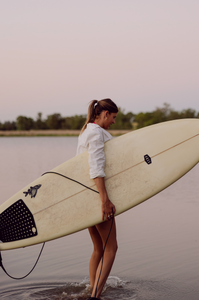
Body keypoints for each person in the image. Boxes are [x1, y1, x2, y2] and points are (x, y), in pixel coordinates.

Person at [76, 99, 119, 300]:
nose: (113, 122)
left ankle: (92, 290)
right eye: (113, 117)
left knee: (99, 248)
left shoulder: (86, 132)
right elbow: (96, 167)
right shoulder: (95, 133)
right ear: (105, 114)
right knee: (111, 248)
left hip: (86, 196)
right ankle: (95, 296)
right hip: (97, 196)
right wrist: (104, 200)